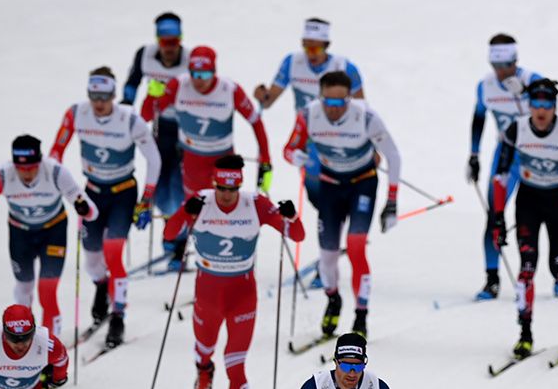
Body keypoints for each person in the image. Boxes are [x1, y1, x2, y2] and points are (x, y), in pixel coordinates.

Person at [163, 156, 305, 389]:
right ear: (214, 183)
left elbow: (298, 236)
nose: (227, 195)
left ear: (240, 184)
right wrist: (185, 214)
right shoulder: (200, 200)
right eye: (222, 188)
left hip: (242, 295)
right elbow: (169, 233)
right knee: (204, 350)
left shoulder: (255, 203)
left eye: (233, 188)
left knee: (236, 366)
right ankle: (203, 369)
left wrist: (292, 217)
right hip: (207, 294)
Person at [282, 71, 400, 338]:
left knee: (357, 246)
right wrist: (297, 157)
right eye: (328, 102)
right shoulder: (309, 114)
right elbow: (288, 149)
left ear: (350, 99)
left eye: (340, 103)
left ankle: (361, 315)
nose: (333, 110)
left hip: (363, 184)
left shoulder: (366, 117)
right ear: (320, 97)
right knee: (328, 256)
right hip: (330, 186)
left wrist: (391, 202)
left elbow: (393, 156)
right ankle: (333, 299)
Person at [50, 66, 161, 346]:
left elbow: (154, 160)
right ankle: (102, 287)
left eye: (105, 97)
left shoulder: (130, 119)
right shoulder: (76, 113)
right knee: (91, 258)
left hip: (123, 192)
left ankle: (118, 316)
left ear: (113, 95)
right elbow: (55, 154)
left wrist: (146, 200)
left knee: (113, 254)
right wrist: (67, 191)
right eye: (94, 96)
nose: (99, 104)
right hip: (91, 193)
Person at [489, 78, 558, 358]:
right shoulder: (517, 129)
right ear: (529, 105)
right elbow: (500, 175)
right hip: (528, 201)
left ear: (555, 106)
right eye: (536, 104)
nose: (541, 110)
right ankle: (525, 333)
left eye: (547, 104)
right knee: (527, 268)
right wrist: (498, 216)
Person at [144, 45, 271, 269]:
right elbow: (148, 114)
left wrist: (266, 158)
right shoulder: (179, 84)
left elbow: (255, 121)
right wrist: (152, 95)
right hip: (193, 158)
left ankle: (228, 257)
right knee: (196, 208)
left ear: (214, 71)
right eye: (194, 73)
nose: (198, 80)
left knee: (225, 206)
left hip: (223, 161)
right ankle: (194, 253)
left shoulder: (229, 89)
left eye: (204, 74)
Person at [0, 136, 98, 335]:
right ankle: (25, 340)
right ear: (13, 163)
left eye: (32, 167)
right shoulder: (3, 176)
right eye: (21, 168)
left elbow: (92, 212)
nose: (26, 173)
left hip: (53, 232)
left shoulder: (55, 172)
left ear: (40, 161)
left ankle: (51, 344)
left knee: (47, 292)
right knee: (24, 291)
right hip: (21, 235)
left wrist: (83, 208)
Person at [254, 18, 365, 205]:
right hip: (308, 136)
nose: (310, 54)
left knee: (341, 190)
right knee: (317, 195)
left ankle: (346, 229)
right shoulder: (292, 62)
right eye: (306, 47)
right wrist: (262, 95)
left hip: (338, 134)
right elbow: (268, 102)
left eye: (315, 49)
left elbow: (361, 110)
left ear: (326, 45)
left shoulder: (345, 67)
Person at [467, 33, 543, 299]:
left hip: (537, 156)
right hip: (506, 157)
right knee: (494, 215)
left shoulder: (533, 80)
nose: (500, 73)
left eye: (506, 67)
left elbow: (548, 115)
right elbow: (479, 119)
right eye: (496, 67)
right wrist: (474, 155)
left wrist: (525, 96)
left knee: (543, 216)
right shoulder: (485, 86)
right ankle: (492, 279)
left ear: (515, 61)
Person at [121, 12, 188, 227]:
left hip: (184, 129)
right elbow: (132, 83)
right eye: (164, 42)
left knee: (179, 185)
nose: (169, 48)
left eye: (174, 42)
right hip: (159, 126)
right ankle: (170, 230)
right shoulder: (145, 55)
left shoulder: (191, 59)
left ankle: (177, 236)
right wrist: (125, 108)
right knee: (159, 182)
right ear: (157, 40)